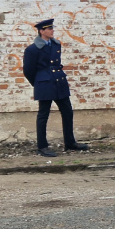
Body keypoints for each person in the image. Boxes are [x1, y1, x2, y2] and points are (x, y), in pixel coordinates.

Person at [23, 19, 89, 157]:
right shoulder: (32, 49)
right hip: (44, 83)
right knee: (43, 115)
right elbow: (28, 70)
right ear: (42, 31)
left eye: (52, 28)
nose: (52, 30)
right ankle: (42, 146)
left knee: (67, 112)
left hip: (59, 81)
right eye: (49, 28)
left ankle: (70, 143)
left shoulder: (56, 45)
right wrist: (39, 83)